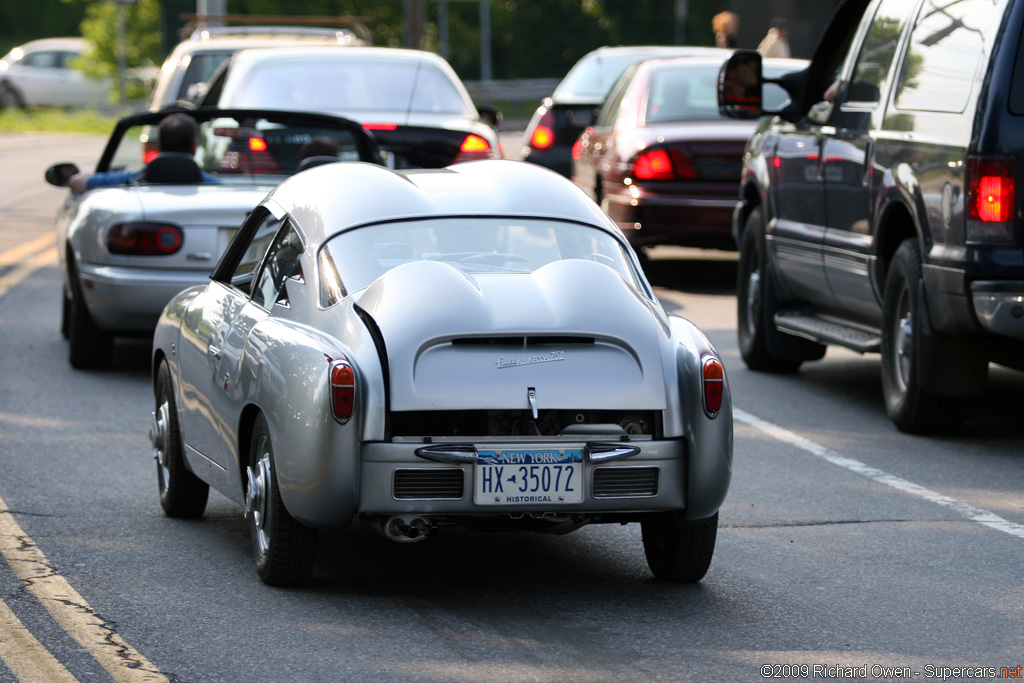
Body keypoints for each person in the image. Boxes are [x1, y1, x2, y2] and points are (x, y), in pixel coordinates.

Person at [69, 113, 214, 194]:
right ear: (194, 148)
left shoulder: (130, 180)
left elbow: (76, 182)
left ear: (158, 146)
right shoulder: (215, 188)